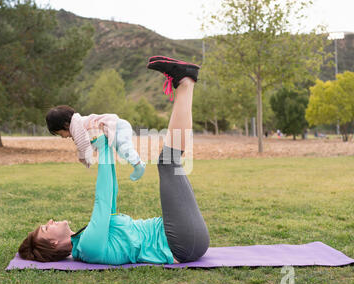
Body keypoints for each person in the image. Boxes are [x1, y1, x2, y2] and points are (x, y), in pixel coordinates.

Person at [18, 56, 210, 265]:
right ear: (53, 244)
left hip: (178, 233)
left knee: (169, 161)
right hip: (180, 243)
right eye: (46, 228)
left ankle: (184, 83)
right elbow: (102, 197)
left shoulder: (86, 236)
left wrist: (106, 147)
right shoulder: (89, 247)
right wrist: (103, 148)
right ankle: (185, 81)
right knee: (168, 162)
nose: (50, 221)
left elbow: (111, 195)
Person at [45, 106, 146, 181]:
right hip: (116, 127)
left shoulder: (76, 127)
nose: (63, 137)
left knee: (124, 148)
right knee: (121, 152)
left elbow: (82, 145)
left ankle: (138, 165)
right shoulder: (79, 123)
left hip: (118, 127)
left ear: (65, 125)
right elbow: (91, 139)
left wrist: (84, 159)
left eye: (60, 133)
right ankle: (138, 164)